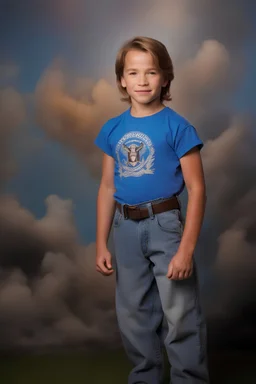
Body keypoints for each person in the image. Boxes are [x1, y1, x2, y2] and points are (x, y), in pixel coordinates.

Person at [94, 36, 210, 384]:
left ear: (165, 79)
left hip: (166, 225)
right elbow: (107, 187)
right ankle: (145, 377)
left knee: (180, 311)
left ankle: (189, 379)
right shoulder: (112, 129)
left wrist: (186, 249)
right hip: (124, 227)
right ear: (122, 80)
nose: (142, 81)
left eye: (152, 72)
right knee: (134, 313)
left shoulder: (178, 127)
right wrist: (101, 242)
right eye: (133, 72)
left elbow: (198, 188)